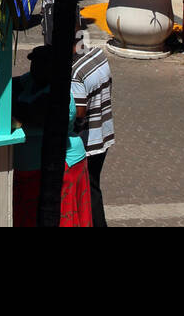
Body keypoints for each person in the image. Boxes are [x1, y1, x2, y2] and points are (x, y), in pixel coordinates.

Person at [12, 44, 93, 227]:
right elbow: (13, 85)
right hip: (35, 170)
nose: (34, 69)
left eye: (40, 64)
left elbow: (30, 113)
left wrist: (6, 106)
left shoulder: (57, 95)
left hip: (64, 167)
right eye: (34, 63)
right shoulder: (31, 81)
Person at [70, 32, 114, 228]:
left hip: (89, 141)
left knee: (90, 188)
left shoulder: (75, 72)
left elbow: (79, 113)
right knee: (93, 184)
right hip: (105, 132)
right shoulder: (98, 55)